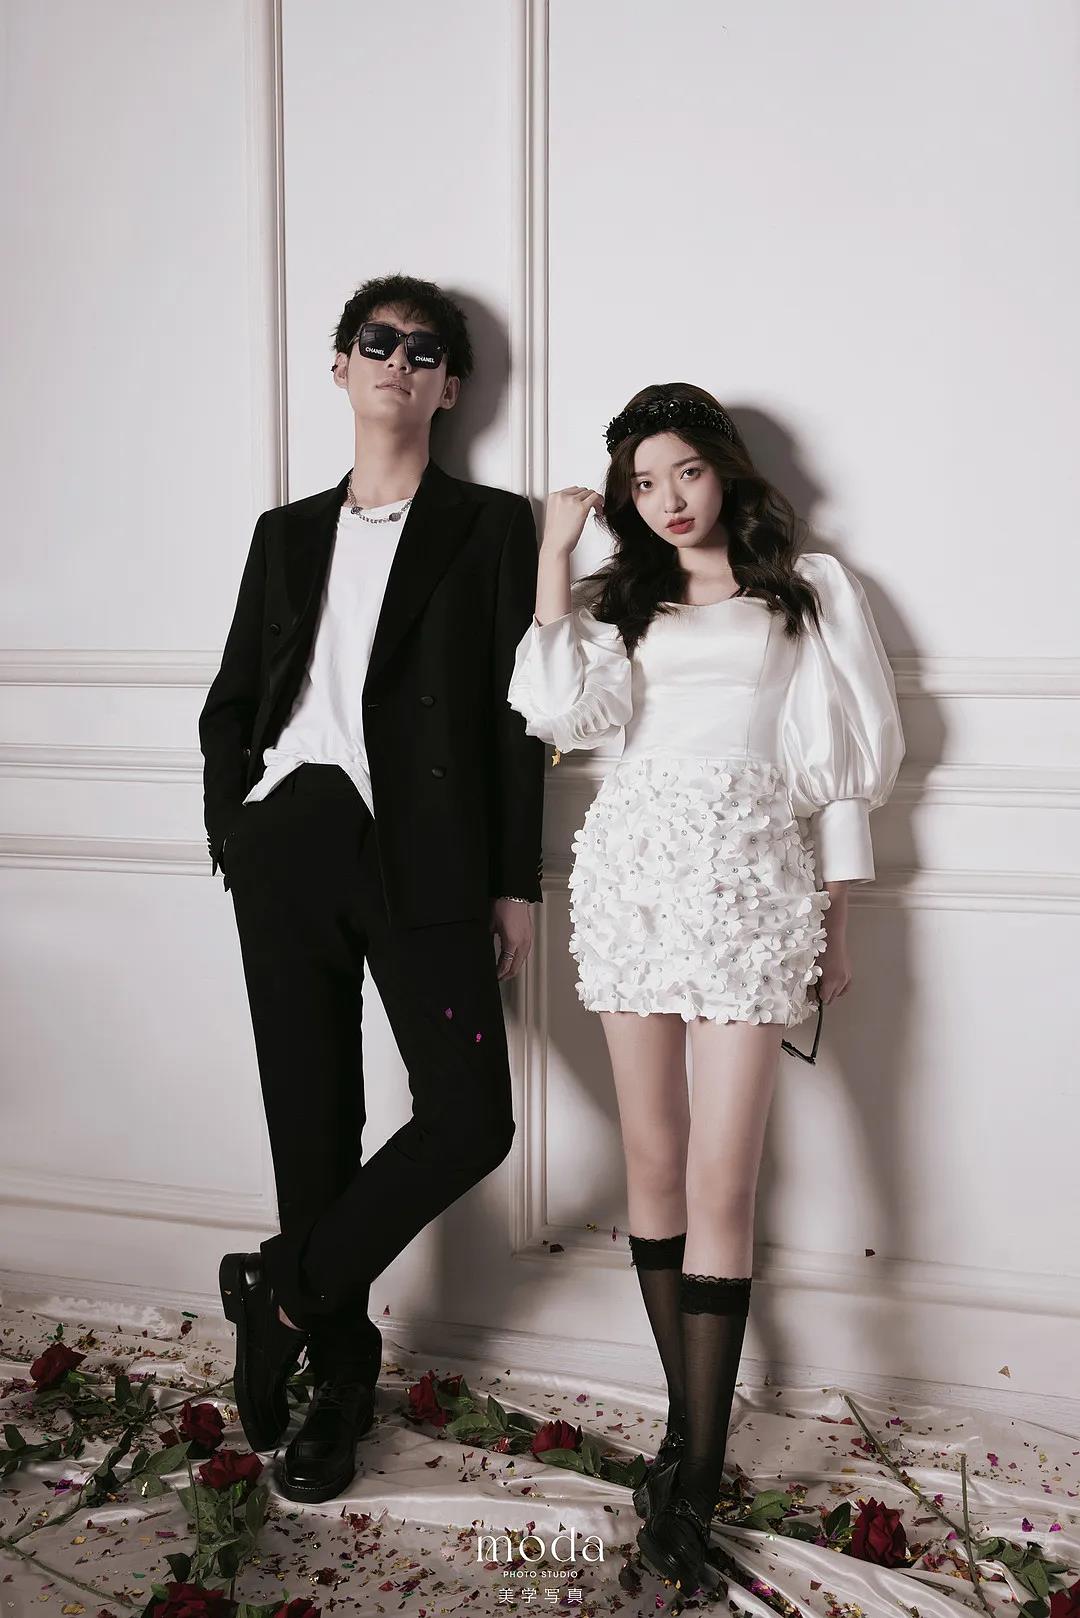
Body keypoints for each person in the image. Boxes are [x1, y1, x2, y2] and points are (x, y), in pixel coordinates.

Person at [506, 383, 905, 1596]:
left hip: (752, 883)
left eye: (685, 471)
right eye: (643, 482)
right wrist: (551, 560)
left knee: (725, 1175)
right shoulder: (618, 601)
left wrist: (838, 914)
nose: (668, 500)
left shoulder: (808, 588)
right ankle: (687, 1426)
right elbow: (557, 713)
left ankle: (695, 1473)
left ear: (724, 468)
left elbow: (843, 763)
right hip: (631, 877)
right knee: (655, 1159)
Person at [199, 273, 545, 1503]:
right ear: (341, 366)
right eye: (377, 341)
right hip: (289, 835)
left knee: (471, 1116)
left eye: (425, 349)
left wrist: (514, 883)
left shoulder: (492, 528)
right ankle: (339, 1381)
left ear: (449, 387)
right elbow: (234, 696)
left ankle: (282, 1290)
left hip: (426, 848)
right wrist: (233, 827)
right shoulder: (283, 533)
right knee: (312, 1120)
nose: (399, 360)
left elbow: (515, 718)